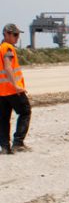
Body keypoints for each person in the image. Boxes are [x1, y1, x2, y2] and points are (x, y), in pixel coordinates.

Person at [1, 23, 31, 155]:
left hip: (1, 91)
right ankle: (18, 142)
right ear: (6, 34)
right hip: (12, 90)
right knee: (25, 112)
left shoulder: (1, 47)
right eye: (15, 35)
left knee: (3, 118)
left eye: (18, 35)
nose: (17, 37)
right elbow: (7, 67)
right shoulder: (8, 48)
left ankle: (4, 147)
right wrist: (16, 86)